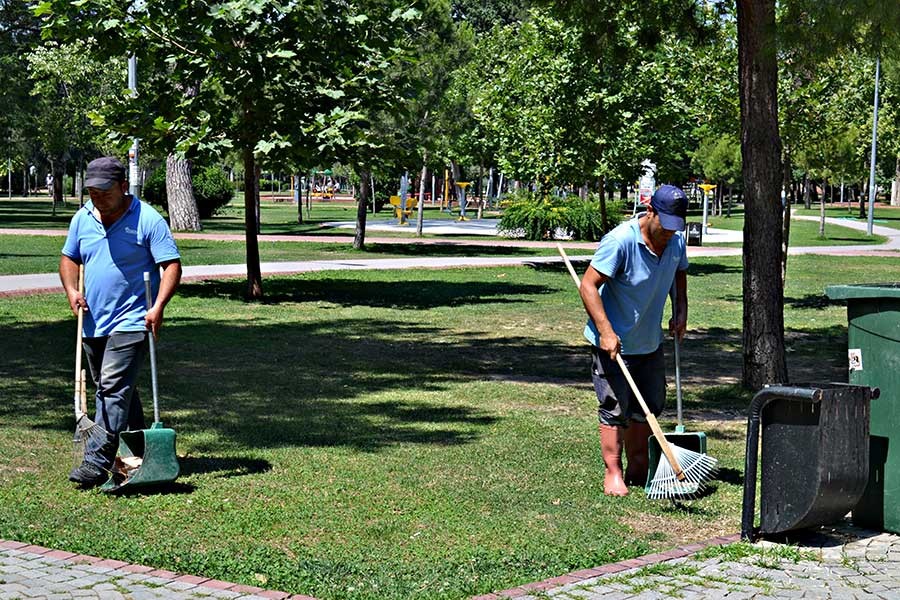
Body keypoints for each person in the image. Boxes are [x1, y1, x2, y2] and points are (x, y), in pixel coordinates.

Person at [59, 156, 182, 488]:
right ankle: (139, 452)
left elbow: (171, 265)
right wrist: (71, 290)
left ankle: (96, 462)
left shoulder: (147, 219)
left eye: (104, 191)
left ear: (123, 187)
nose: (97, 198)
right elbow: (69, 257)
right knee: (112, 388)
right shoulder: (83, 218)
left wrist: (157, 307)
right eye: (92, 192)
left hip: (133, 319)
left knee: (112, 388)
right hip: (93, 320)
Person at [579, 184, 688, 496]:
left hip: (649, 341)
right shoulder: (620, 241)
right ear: (650, 211)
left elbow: (679, 275)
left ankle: (639, 466)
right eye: (665, 226)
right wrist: (605, 331)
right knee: (615, 406)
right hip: (614, 342)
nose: (669, 234)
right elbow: (588, 286)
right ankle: (614, 473)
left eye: (675, 227)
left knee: (648, 406)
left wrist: (680, 309)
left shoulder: (676, 242)